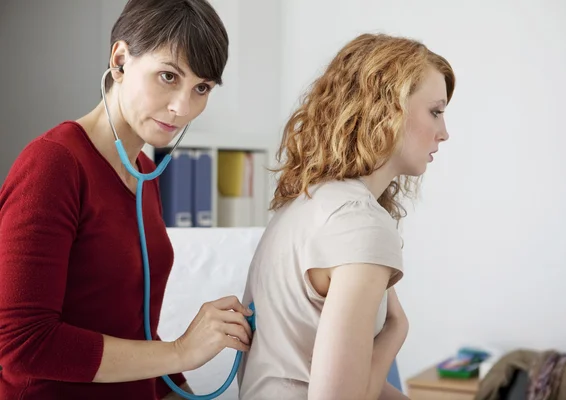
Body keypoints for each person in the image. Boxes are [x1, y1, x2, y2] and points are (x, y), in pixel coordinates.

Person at [0, 1, 253, 399]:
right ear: (120, 60)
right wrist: (182, 352)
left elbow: (135, 334)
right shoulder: (54, 165)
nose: (183, 108)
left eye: (201, 88)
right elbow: (22, 345)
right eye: (168, 76)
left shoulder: (143, 176)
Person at [237, 33, 455, 400]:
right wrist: (396, 331)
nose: (443, 133)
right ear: (388, 109)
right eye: (435, 111)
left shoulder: (308, 203)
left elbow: (328, 377)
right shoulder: (361, 223)